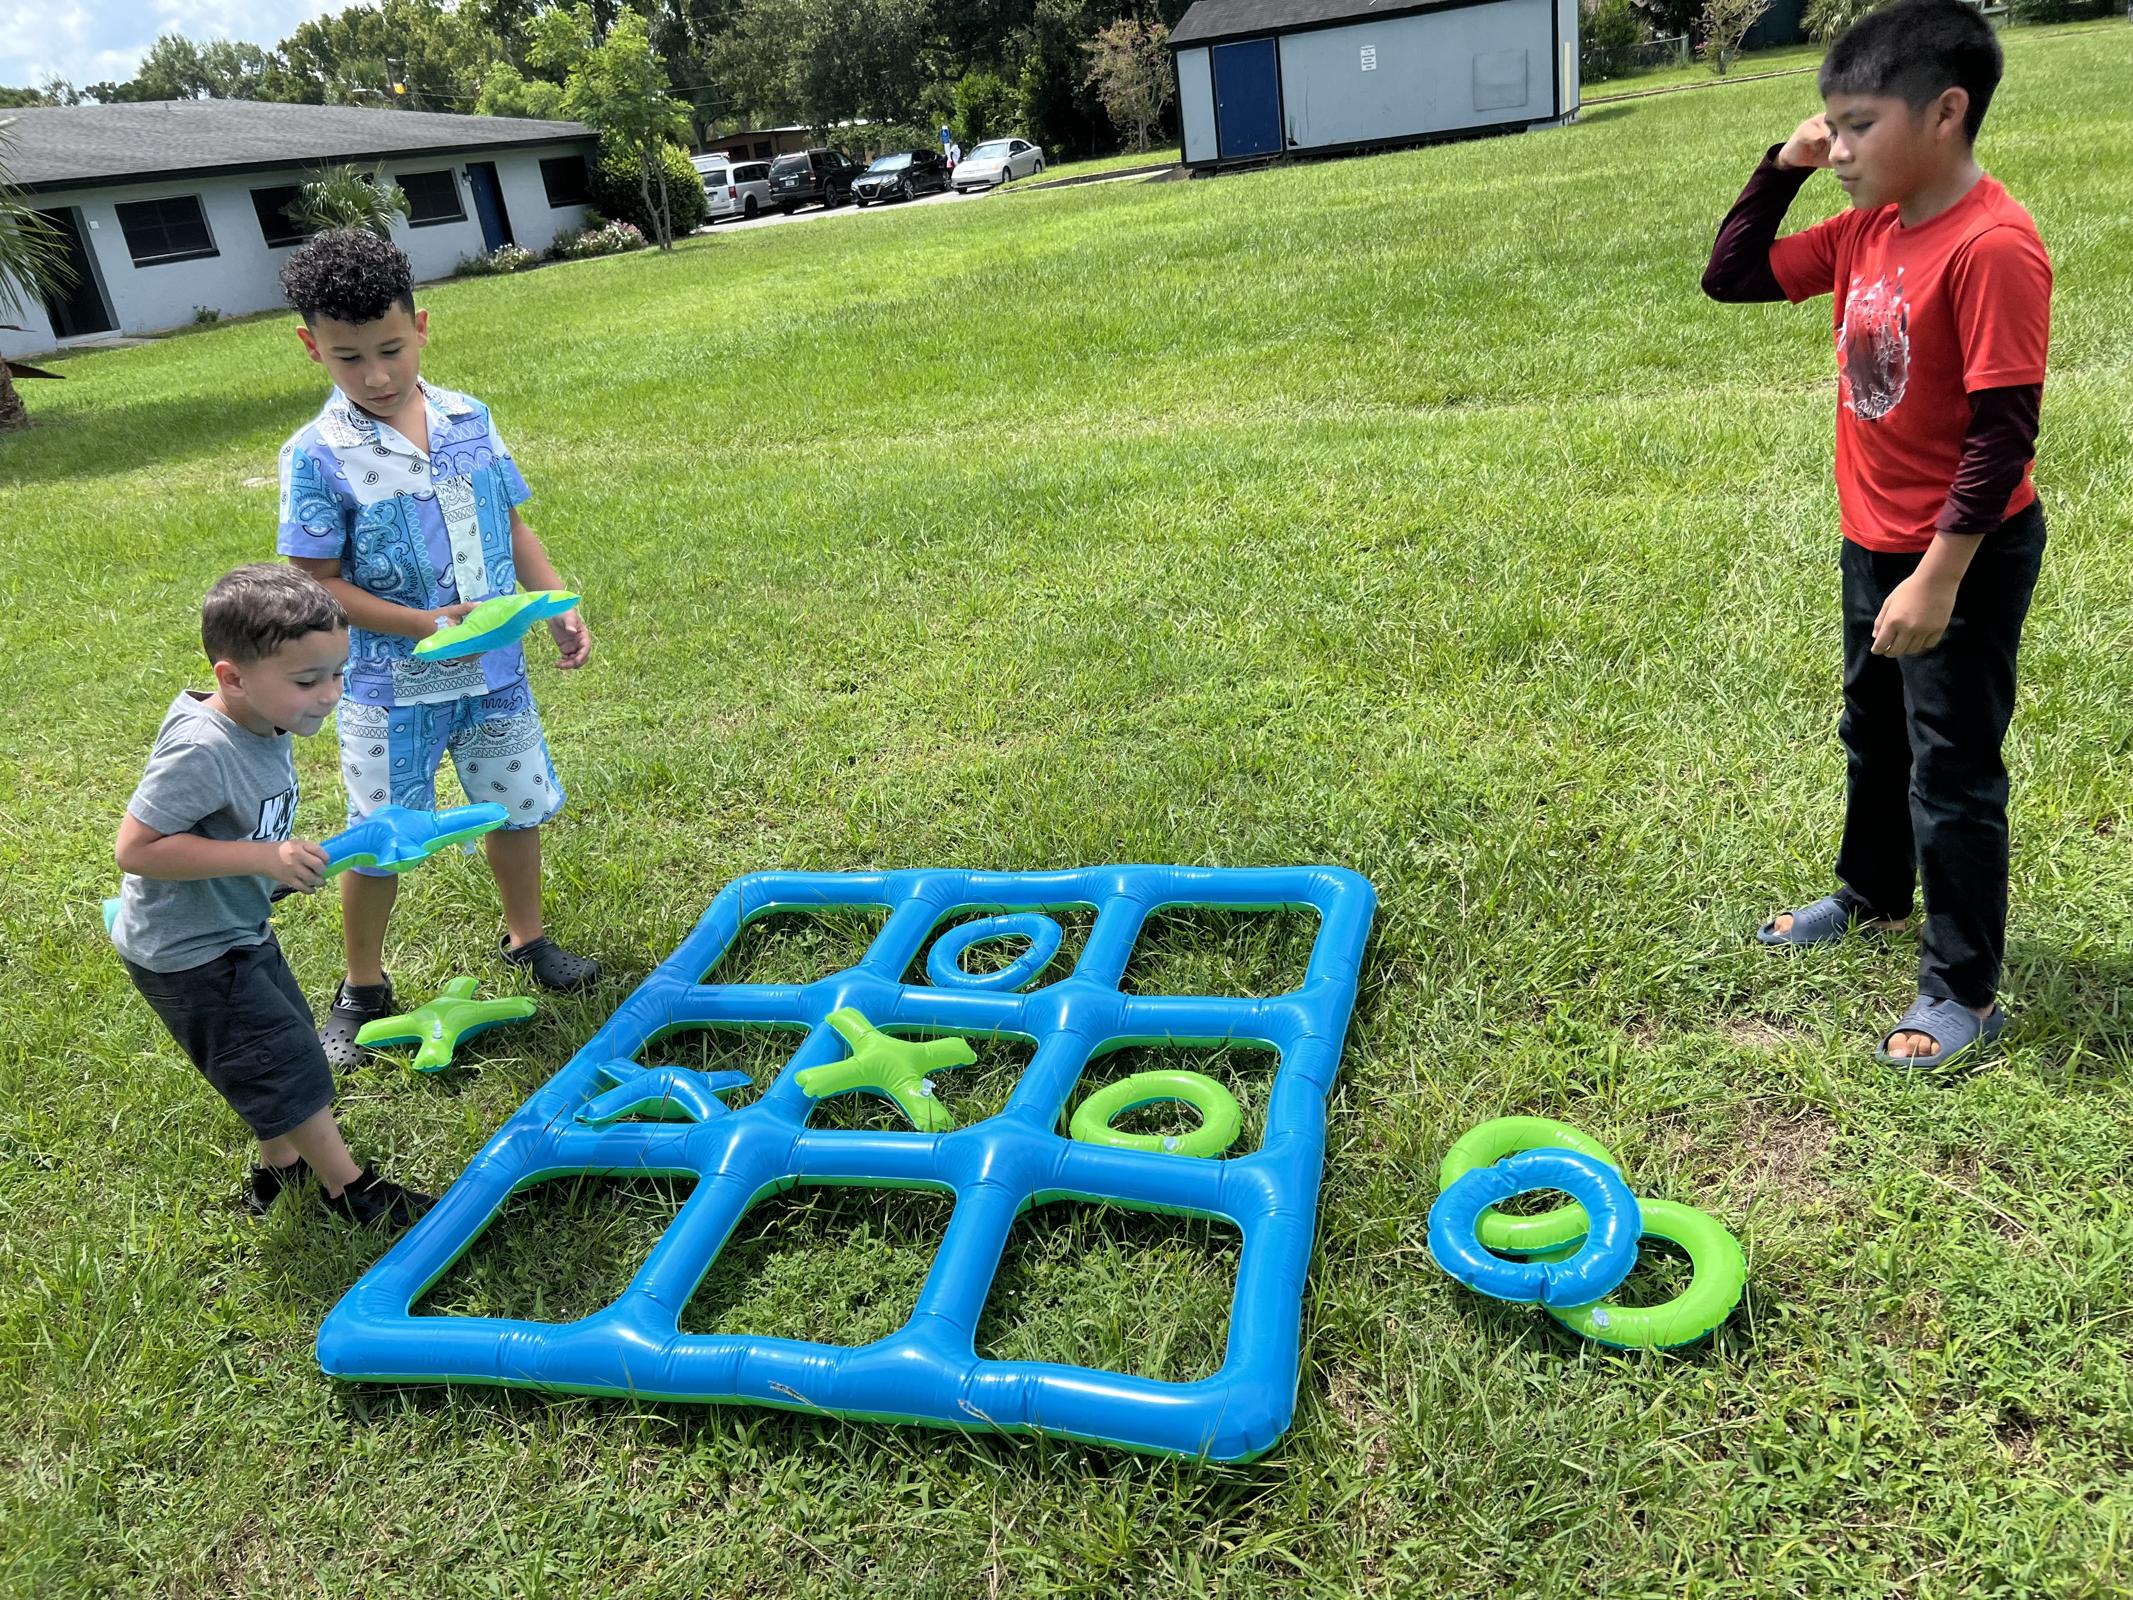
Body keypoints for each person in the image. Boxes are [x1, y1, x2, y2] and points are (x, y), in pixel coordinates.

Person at [1702, 0, 2052, 1067]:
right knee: (1875, 732)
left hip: (1964, 552)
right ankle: (1872, 894)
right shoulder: (1866, 230)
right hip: (1875, 537)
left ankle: (1964, 989)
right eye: (1829, 127)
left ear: (1946, 113)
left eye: (1856, 126)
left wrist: (1941, 576)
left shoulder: (1992, 246)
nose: (1838, 149)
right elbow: (1732, 273)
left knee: (1950, 767)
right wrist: (1784, 161)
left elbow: (2001, 435)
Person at [274, 228, 600, 1069]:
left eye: (390, 349)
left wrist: (552, 603)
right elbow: (315, 582)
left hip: (495, 676)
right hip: (390, 689)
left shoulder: (467, 418)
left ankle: (526, 939)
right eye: (349, 359)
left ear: (421, 325)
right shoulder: (317, 455)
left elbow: (511, 521)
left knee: (515, 809)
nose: (377, 376)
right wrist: (423, 624)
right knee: (382, 835)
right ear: (313, 347)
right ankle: (361, 985)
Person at [113, 565, 433, 1225]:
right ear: (233, 678)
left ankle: (278, 1172)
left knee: (270, 1052)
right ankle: (354, 1193)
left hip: (236, 928)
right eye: (307, 681)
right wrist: (262, 857)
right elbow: (136, 848)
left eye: (338, 673)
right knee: (292, 1069)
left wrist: (276, 867)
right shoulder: (202, 750)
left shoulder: (262, 719)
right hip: (190, 952)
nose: (329, 695)